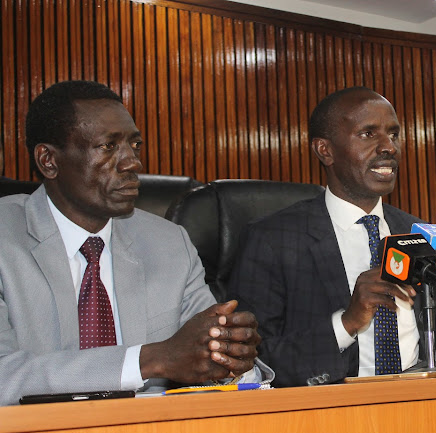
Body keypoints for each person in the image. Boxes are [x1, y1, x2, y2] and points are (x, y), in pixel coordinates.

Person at [0, 80, 269, 406]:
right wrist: (150, 360)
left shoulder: (169, 244)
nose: (132, 163)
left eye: (135, 145)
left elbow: (208, 356)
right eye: (108, 146)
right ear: (49, 161)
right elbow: (5, 375)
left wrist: (230, 356)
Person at [229, 87, 427, 387]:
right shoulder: (272, 240)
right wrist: (347, 324)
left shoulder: (418, 233)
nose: (389, 147)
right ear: (325, 150)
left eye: (393, 134)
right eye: (368, 134)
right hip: (330, 417)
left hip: (427, 406)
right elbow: (254, 363)